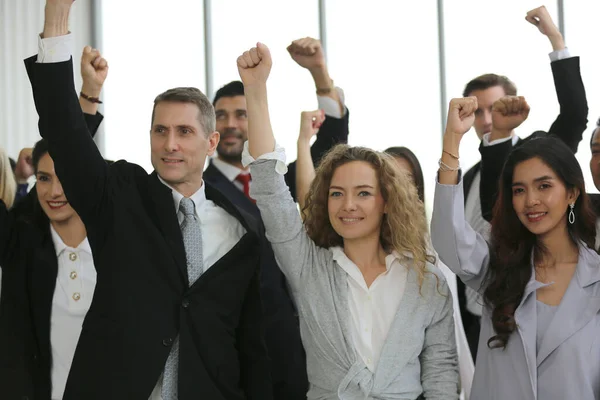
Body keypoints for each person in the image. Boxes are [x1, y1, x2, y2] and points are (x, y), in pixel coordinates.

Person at [27, 2, 271, 399]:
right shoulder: (119, 196)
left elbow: (250, 344)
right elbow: (65, 135)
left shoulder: (242, 229)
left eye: (183, 131)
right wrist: (56, 19)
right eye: (159, 130)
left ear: (211, 143)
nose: (169, 144)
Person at [238, 42, 458, 399]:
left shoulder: (426, 282)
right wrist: (256, 89)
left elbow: (442, 371)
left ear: (387, 202)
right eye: (337, 193)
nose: (348, 205)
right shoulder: (309, 266)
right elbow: (270, 190)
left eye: (364, 193)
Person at [204, 37, 349, 398]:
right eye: (220, 116)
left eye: (242, 114)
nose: (231, 124)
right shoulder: (197, 189)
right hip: (231, 343)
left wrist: (319, 73)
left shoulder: (286, 183)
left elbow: (331, 141)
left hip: (293, 341)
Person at [432, 96, 600, 399]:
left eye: (544, 186)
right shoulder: (497, 266)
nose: (531, 200)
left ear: (572, 192)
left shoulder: (597, 278)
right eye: (519, 190)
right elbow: (449, 239)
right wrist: (452, 142)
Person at [458, 6, 588, 359]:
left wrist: (555, 39)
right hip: (473, 320)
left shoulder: (539, 154)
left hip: (528, 311)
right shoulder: (465, 177)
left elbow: (575, 114)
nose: (486, 120)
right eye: (477, 111)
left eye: (494, 108)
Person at [0, 45, 107, 400]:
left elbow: (75, 151)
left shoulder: (117, 240)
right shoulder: (23, 241)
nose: (54, 191)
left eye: (63, 177)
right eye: (44, 179)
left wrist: (90, 95)